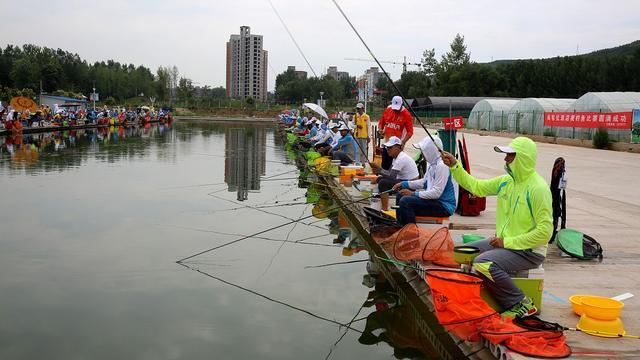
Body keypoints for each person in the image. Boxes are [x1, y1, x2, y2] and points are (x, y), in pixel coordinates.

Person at [441, 137, 553, 318]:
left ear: (522, 158)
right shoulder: (506, 181)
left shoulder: (538, 188)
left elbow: (545, 233)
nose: (505, 159)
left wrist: (507, 241)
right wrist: (455, 166)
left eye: (510, 156)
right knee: (464, 251)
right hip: (506, 244)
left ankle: (521, 302)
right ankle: (477, 294)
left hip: (529, 251)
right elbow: (476, 187)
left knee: (483, 262)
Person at [392, 137, 457, 225]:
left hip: (444, 206)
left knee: (406, 201)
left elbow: (436, 193)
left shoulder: (442, 166)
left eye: (423, 151)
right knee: (400, 195)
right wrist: (404, 184)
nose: (422, 154)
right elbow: (424, 182)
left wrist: (413, 194)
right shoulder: (433, 164)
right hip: (435, 201)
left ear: (430, 151)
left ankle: (411, 233)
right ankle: (400, 226)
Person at [371, 136, 419, 211]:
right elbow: (389, 172)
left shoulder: (401, 158)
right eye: (387, 147)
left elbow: (391, 176)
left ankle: (384, 209)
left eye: (390, 147)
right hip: (403, 180)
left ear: (397, 147)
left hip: (410, 183)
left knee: (383, 183)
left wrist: (379, 170)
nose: (387, 150)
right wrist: (378, 171)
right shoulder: (395, 157)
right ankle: (380, 197)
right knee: (380, 179)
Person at [377, 96, 414, 170]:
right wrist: (380, 130)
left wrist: (403, 142)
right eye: (394, 108)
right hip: (387, 144)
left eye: (397, 109)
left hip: (397, 146)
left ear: (401, 104)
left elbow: (410, 132)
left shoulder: (406, 115)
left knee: (395, 167)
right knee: (385, 165)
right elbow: (381, 123)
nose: (395, 110)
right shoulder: (388, 110)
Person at [549, 157, 567, 243]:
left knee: (554, 215)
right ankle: (552, 235)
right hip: (556, 196)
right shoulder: (560, 171)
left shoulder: (555, 170)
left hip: (553, 195)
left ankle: (552, 234)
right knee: (555, 215)